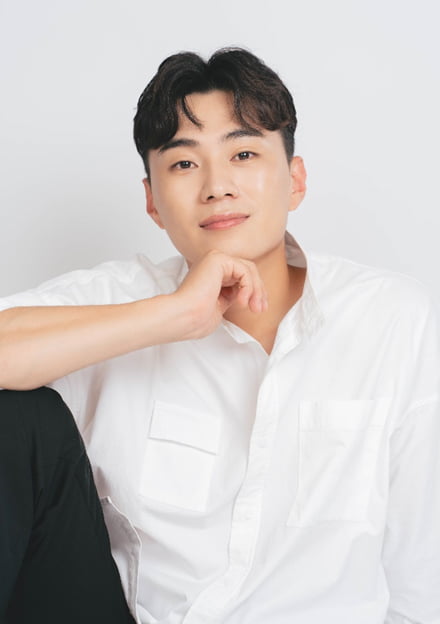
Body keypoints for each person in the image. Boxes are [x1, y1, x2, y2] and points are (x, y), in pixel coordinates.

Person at [0, 47, 439, 624]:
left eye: (244, 153)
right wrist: (173, 315)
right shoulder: (122, 299)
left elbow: (418, 575)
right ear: (152, 201)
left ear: (296, 180)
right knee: (16, 416)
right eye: (184, 164)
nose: (217, 186)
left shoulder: (393, 320)